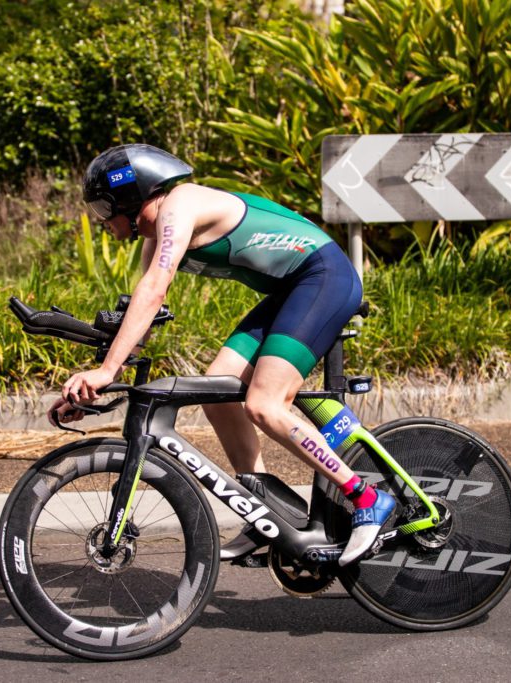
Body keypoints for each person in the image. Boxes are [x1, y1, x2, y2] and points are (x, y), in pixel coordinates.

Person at [51, 143, 396, 566]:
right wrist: (95, 382)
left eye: (104, 207)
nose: (103, 220)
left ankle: (366, 497)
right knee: (220, 397)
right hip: (292, 292)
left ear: (130, 196)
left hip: (324, 278)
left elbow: (154, 289)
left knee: (265, 405)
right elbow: (146, 312)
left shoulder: (179, 205)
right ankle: (268, 511)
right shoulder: (156, 234)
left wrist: (107, 370)